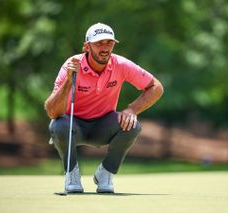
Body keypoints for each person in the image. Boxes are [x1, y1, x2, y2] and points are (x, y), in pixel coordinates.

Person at [44, 22, 164, 193]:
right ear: (87, 46)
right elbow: (52, 112)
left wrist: (132, 109)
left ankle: (105, 173)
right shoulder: (72, 65)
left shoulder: (120, 64)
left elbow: (156, 87)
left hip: (103, 126)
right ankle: (72, 173)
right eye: (99, 43)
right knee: (58, 124)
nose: (105, 48)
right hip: (73, 127)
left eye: (109, 43)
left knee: (132, 125)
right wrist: (68, 81)